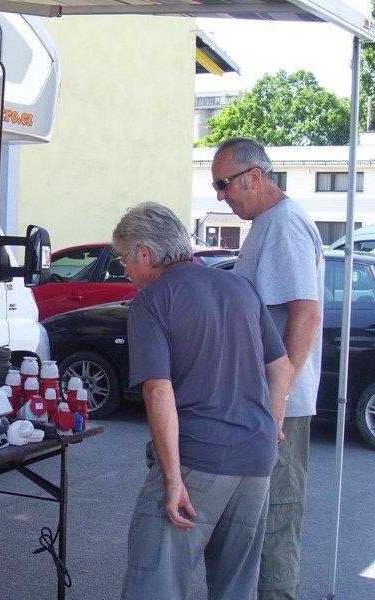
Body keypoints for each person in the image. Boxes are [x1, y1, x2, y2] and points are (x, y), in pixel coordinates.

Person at [114, 202, 293, 599]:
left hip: (199, 459)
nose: (125, 269)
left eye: (124, 258)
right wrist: (273, 422)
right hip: (256, 457)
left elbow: (158, 390)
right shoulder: (239, 287)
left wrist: (173, 481)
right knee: (236, 586)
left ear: (144, 254)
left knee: (155, 580)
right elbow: (281, 367)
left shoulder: (152, 301)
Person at [211, 138, 324, 600]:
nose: (221, 195)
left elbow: (306, 314)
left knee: (276, 517)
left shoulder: (283, 224)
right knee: (254, 520)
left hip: (278, 409)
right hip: (263, 403)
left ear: (254, 177)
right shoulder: (266, 222)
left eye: (224, 184)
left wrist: (279, 398)